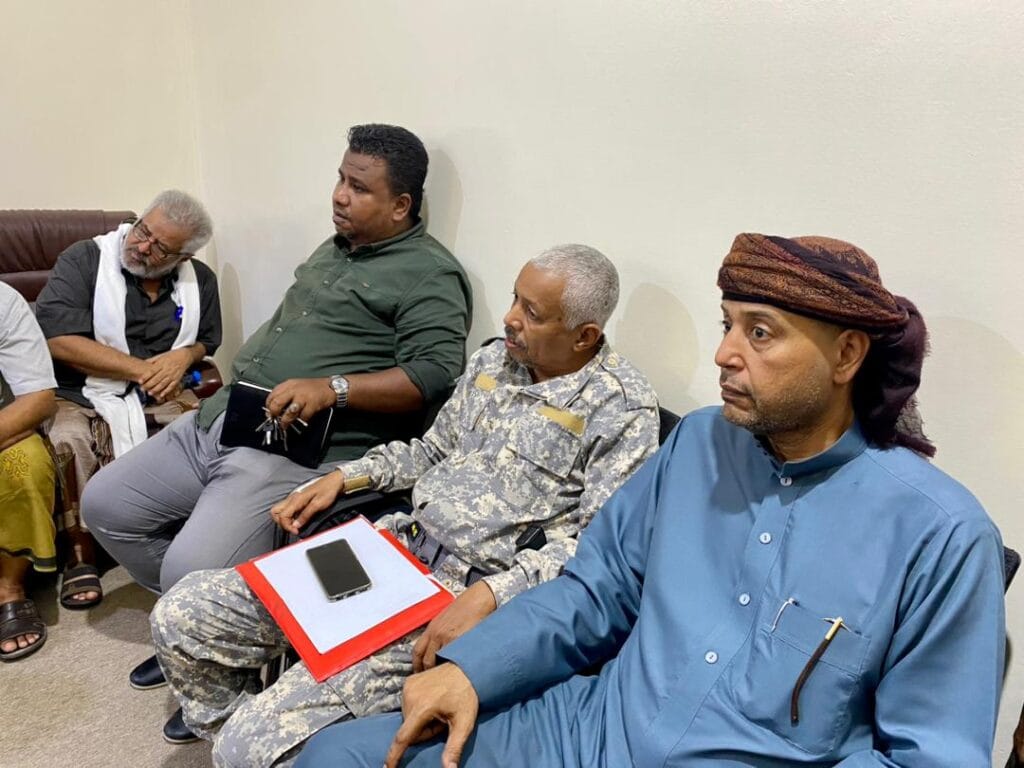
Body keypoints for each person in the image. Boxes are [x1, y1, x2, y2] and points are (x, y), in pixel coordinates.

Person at [297, 234, 1006, 768]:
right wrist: (474, 669)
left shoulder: (941, 535)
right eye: (727, 324)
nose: (725, 353)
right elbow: (596, 589)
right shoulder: (699, 443)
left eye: (760, 333)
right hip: (586, 733)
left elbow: (927, 755)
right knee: (335, 756)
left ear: (847, 356)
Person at [150, 244, 660, 764]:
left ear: (584, 336)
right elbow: (433, 450)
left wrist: (491, 593)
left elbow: (600, 553)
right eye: (514, 299)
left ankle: (272, 734)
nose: (510, 318)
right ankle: (269, 728)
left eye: (531, 312)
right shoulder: (496, 361)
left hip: (458, 600)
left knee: (246, 746)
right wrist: (347, 477)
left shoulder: (620, 407)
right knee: (184, 615)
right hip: (393, 548)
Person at [83, 124, 473, 707]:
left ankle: (217, 650)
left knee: (189, 569)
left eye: (359, 188)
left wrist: (334, 389)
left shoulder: (430, 273)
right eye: (340, 179)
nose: (339, 195)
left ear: (400, 205)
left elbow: (435, 374)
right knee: (104, 506)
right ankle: (199, 631)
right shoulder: (335, 248)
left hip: (293, 449)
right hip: (223, 416)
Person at [34, 189, 221, 611]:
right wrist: (139, 370)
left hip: (160, 390)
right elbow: (57, 338)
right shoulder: (84, 259)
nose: (141, 245)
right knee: (68, 440)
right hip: (78, 389)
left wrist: (183, 356)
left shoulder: (200, 281)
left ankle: (181, 533)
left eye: (160, 247)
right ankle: (80, 553)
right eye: (142, 230)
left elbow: (207, 340)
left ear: (184, 257)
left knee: (202, 430)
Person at [0, 281, 58, 661]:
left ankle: (9, 588)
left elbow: (39, 398)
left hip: (5, 424)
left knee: (25, 466)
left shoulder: (3, 301)